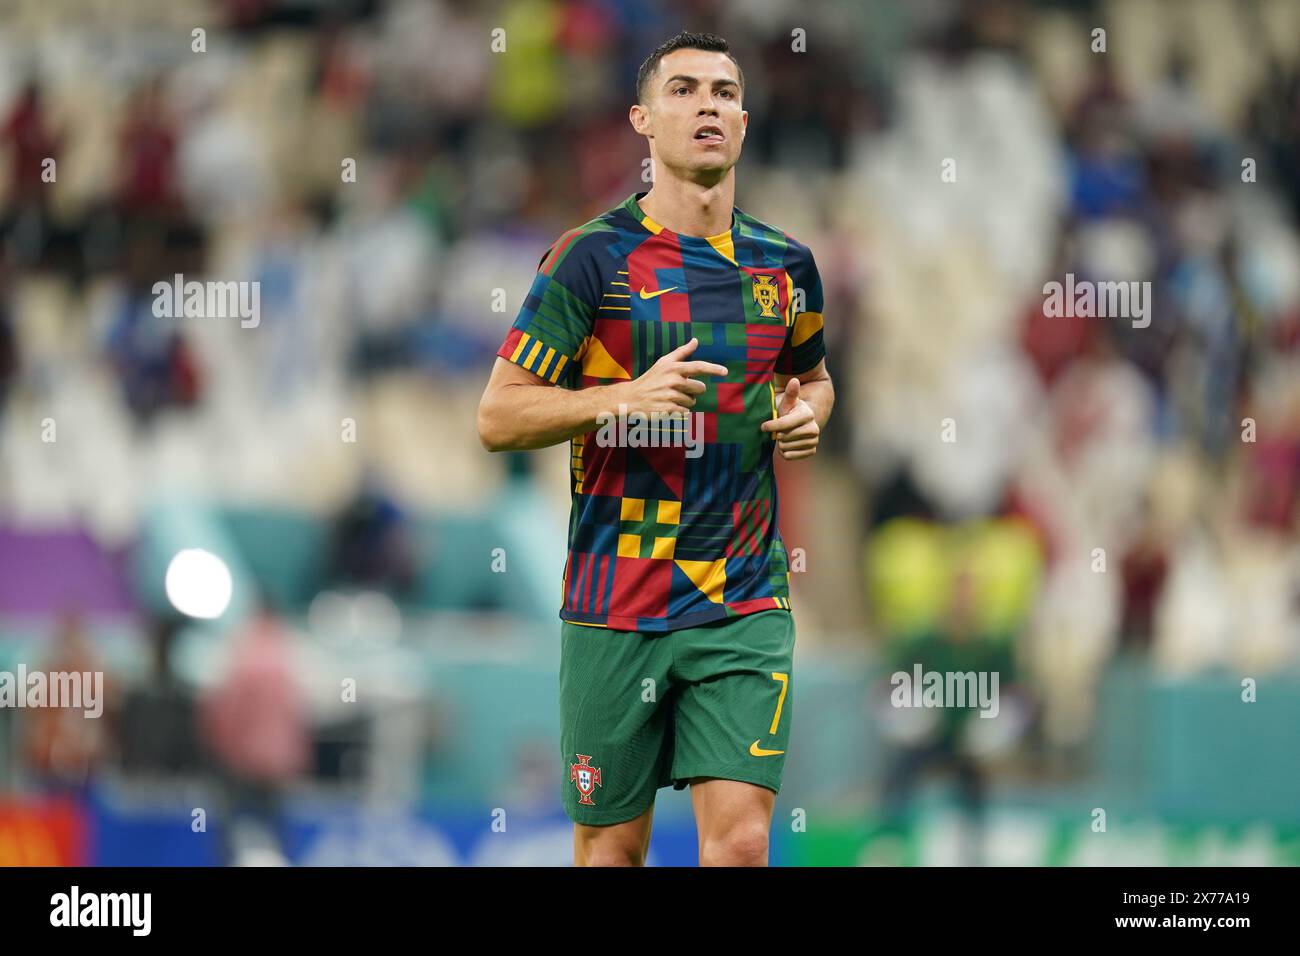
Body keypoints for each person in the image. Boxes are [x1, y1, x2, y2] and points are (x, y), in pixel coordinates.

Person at [477, 32, 834, 866]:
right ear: (642, 119)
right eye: (683, 90)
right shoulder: (590, 259)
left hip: (741, 596)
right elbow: (497, 417)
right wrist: (621, 399)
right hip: (615, 597)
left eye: (723, 91)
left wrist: (810, 409)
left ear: (743, 120)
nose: (707, 104)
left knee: (741, 844)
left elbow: (812, 378)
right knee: (611, 853)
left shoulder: (786, 269)